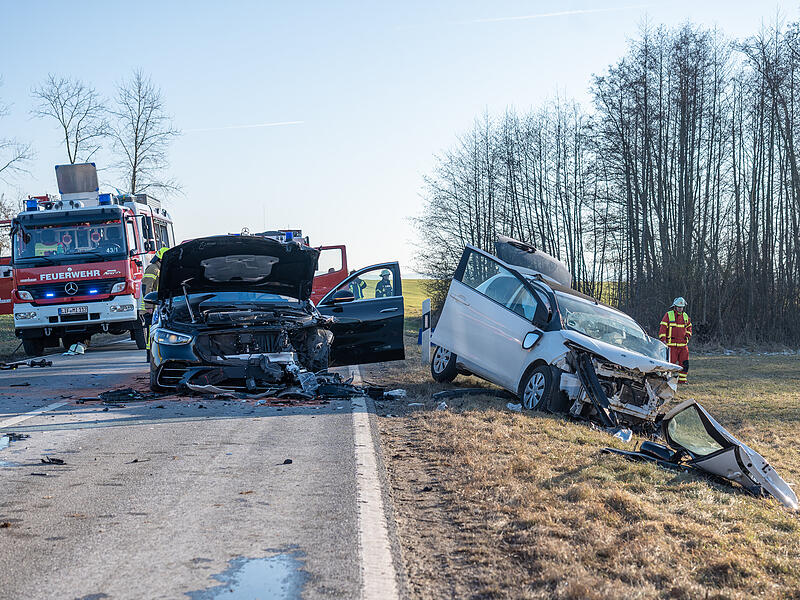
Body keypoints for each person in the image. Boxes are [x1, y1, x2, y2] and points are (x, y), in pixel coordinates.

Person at [141, 247, 168, 358]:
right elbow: (147, 288)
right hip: (149, 307)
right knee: (150, 332)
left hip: (156, 305)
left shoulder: (159, 269)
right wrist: (149, 306)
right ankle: (149, 355)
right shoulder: (153, 269)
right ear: (161, 259)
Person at [659, 297, 692, 384]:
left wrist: (687, 337)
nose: (680, 308)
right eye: (678, 307)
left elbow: (689, 328)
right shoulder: (669, 315)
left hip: (683, 346)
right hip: (671, 345)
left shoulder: (685, 316)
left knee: (684, 364)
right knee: (670, 364)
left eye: (681, 307)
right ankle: (666, 380)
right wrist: (663, 339)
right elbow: (663, 328)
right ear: (675, 306)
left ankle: (682, 380)